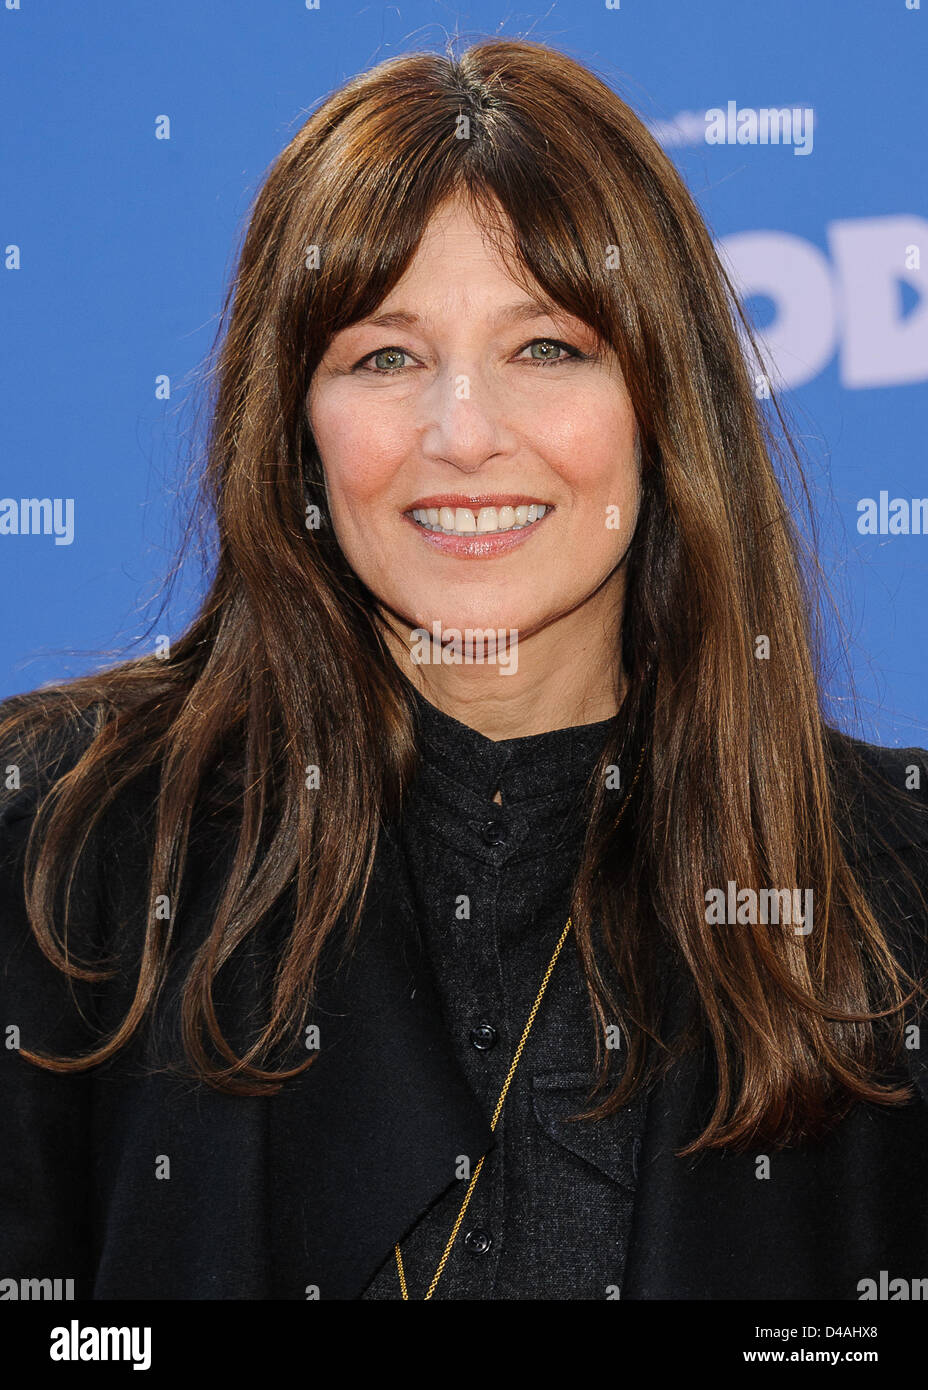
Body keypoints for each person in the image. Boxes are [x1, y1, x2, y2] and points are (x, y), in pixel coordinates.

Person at [2, 38, 927, 1302]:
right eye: (383, 357)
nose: (464, 434)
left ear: (665, 401)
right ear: (294, 427)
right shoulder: (62, 846)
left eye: (546, 347)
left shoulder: (894, 889)